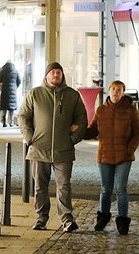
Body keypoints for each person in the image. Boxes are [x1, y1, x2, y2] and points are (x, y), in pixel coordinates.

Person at [18, 61, 87, 232]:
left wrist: (73, 139)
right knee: (40, 186)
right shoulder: (35, 94)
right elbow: (23, 116)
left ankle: (67, 219)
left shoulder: (72, 96)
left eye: (59, 72)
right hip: (39, 149)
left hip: (63, 149)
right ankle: (41, 218)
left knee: (64, 185)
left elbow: (82, 120)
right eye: (53, 72)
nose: (56, 75)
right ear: (47, 75)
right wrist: (29, 138)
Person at [93, 79, 139, 234]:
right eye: (114, 89)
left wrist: (130, 150)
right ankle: (103, 217)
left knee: (121, 188)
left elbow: (138, 133)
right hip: (104, 155)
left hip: (124, 156)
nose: (116, 92)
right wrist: (77, 131)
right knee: (105, 188)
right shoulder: (101, 110)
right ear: (109, 91)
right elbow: (93, 130)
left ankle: (122, 221)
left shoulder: (130, 111)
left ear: (123, 93)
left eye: (119, 89)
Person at [0, 59, 21, 127]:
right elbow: (19, 80)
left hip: (4, 90)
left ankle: (4, 122)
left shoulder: (3, 71)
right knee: (11, 108)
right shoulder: (16, 71)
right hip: (13, 90)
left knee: (4, 107)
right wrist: (15, 87)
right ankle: (11, 122)